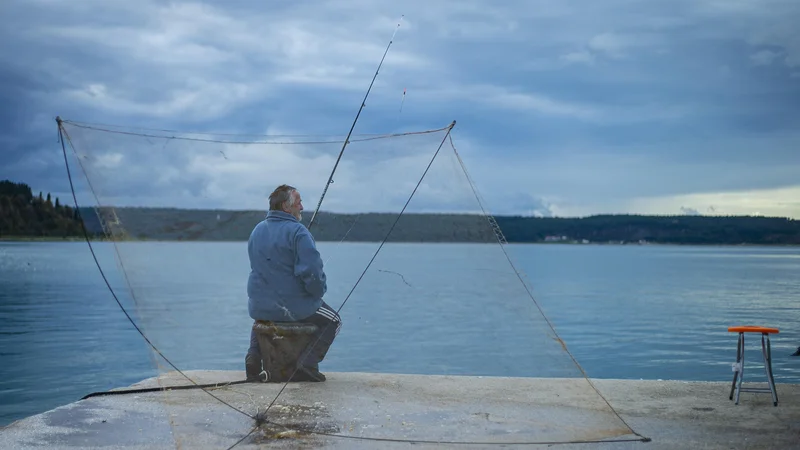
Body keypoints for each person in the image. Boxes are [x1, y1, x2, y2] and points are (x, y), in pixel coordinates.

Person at [245, 184, 341, 382]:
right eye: (299, 203)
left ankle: (253, 356)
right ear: (286, 207)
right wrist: (318, 292)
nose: (302, 207)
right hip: (292, 308)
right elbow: (312, 275)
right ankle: (307, 364)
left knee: (262, 317)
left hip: (260, 306)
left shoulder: (256, 230)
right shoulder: (299, 232)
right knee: (333, 321)